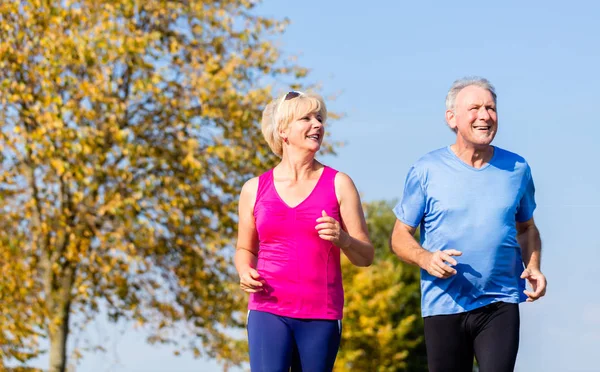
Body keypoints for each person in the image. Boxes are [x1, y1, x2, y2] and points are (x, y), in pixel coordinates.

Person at [390, 77, 547, 372]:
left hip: (500, 301)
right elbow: (399, 236)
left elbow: (527, 228)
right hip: (443, 303)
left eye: (491, 108)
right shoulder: (426, 170)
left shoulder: (517, 168)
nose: (485, 116)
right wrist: (425, 257)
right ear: (452, 118)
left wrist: (534, 265)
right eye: (474, 108)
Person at [235, 91, 374, 371]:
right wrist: (243, 269)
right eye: (307, 118)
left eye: (320, 118)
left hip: (321, 315)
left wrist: (343, 239)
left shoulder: (339, 184)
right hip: (267, 309)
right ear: (283, 130)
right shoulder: (253, 189)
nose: (318, 125)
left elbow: (366, 256)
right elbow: (245, 249)